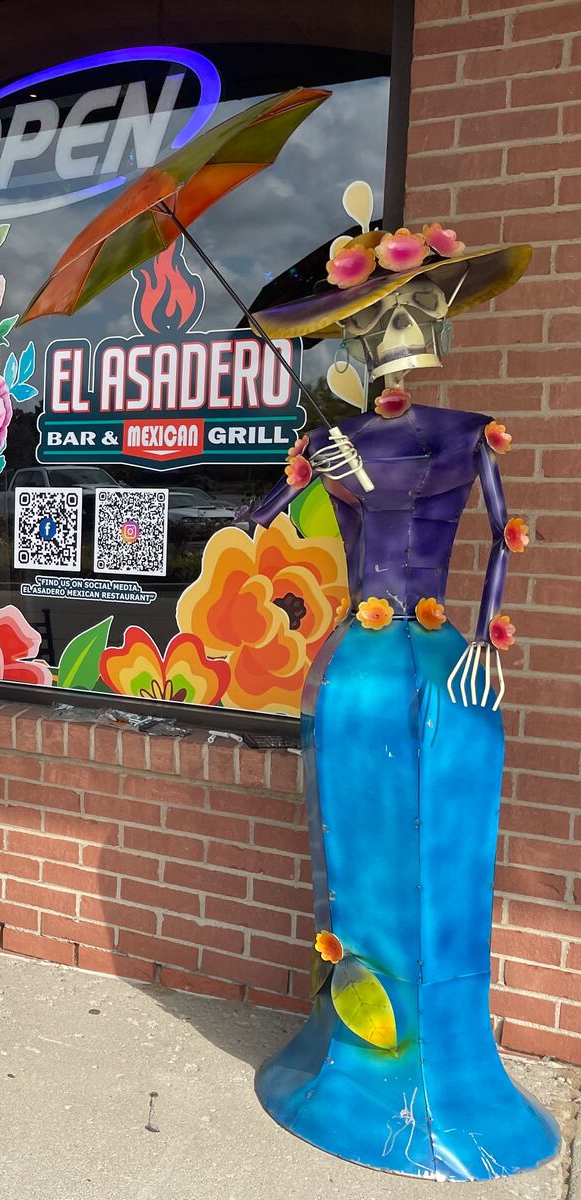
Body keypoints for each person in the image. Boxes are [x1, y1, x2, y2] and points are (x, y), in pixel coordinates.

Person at [245, 199, 554, 1180]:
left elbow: (501, 535)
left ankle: (433, 1067)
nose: (402, 335)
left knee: (445, 856)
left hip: (442, 663)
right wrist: (306, 464)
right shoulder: (338, 436)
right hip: (362, 672)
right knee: (358, 861)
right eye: (384, 316)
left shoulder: (463, 433)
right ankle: (358, 1057)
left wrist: (493, 636)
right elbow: (260, 510)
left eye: (414, 311)